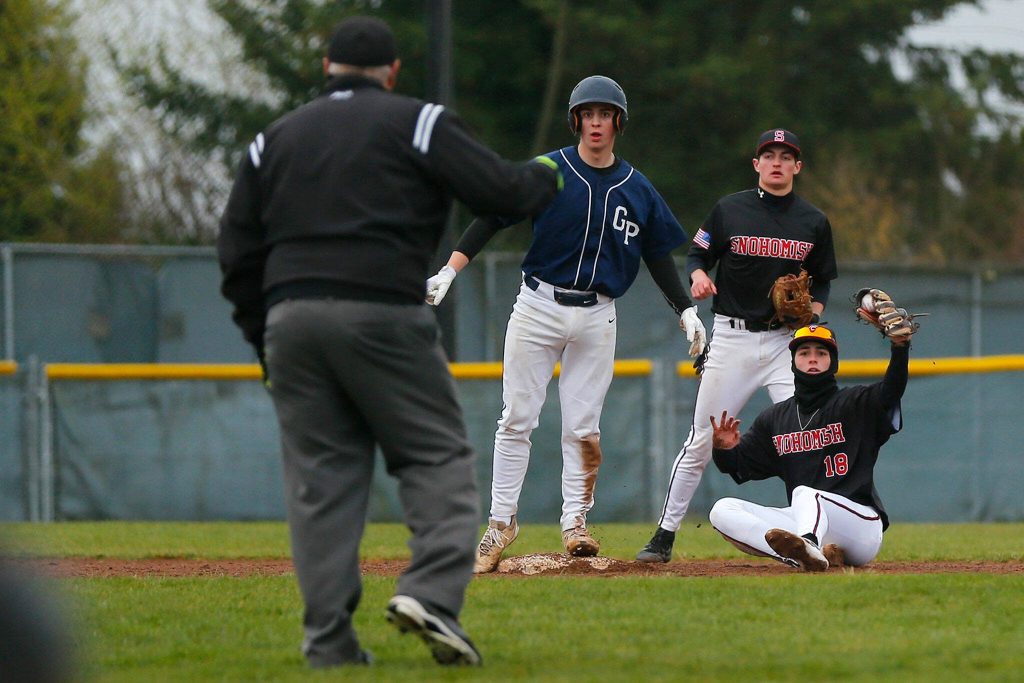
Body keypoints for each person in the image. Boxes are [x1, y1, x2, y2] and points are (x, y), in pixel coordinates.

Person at [217, 16, 561, 668]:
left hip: (289, 319)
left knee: (321, 484)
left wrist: (261, 335)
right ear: (392, 72)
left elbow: (235, 250)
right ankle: (432, 591)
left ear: (327, 68)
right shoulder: (419, 121)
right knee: (435, 458)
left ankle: (329, 643)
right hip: (380, 310)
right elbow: (501, 191)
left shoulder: (275, 138)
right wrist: (548, 176)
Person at [424, 75, 706, 574]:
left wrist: (684, 309)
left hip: (598, 314)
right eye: (588, 114)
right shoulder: (549, 170)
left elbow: (659, 255)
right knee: (516, 418)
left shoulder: (637, 188)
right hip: (538, 306)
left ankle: (575, 524)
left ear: (618, 122)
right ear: (575, 120)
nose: (596, 123)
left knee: (583, 427)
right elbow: (492, 216)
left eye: (605, 115)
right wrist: (450, 269)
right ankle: (499, 523)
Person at [637, 128, 838, 563]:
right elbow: (696, 254)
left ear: (797, 167)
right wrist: (697, 276)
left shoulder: (813, 221)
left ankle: (810, 537)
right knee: (701, 440)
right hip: (732, 339)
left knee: (808, 437)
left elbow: (822, 277)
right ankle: (665, 535)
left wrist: (814, 313)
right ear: (756, 164)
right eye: (769, 155)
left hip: (787, 344)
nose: (777, 162)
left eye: (786, 156)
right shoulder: (730, 209)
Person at [706, 323, 909, 570]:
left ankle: (808, 545)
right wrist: (724, 449)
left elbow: (891, 391)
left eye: (821, 353)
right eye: (804, 353)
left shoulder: (854, 403)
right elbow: (738, 465)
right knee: (722, 509)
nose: (812, 359)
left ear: (833, 362)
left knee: (805, 493)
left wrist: (900, 348)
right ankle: (803, 556)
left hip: (860, 526)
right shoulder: (775, 419)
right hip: (808, 520)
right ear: (793, 362)